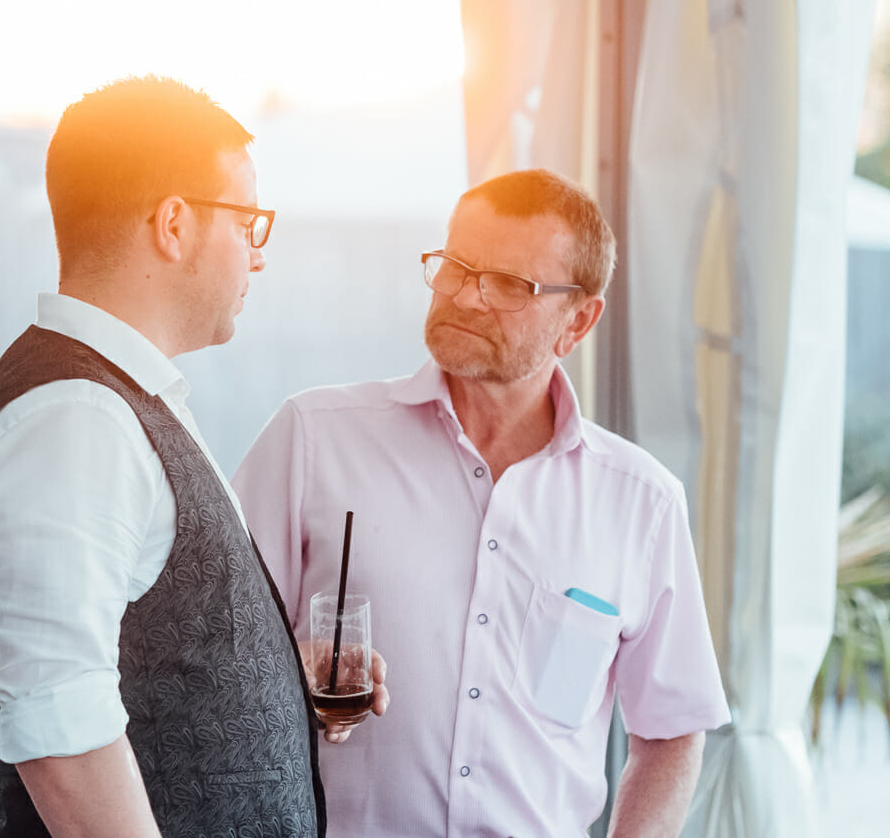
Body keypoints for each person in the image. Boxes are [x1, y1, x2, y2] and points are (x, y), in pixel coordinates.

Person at [0, 75, 383, 838]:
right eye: (248, 222)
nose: (258, 256)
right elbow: (61, 730)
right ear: (174, 224)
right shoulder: (74, 418)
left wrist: (274, 681)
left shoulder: (114, 402)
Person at [233, 168, 731, 837]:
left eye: (507, 284)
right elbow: (215, 662)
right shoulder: (313, 439)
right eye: (455, 266)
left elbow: (672, 733)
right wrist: (284, 668)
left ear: (578, 321)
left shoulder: (643, 505)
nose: (465, 296)